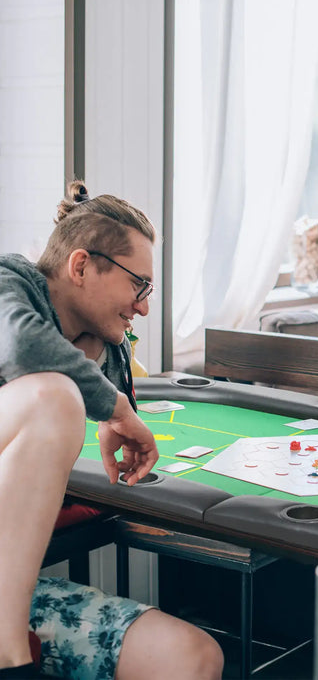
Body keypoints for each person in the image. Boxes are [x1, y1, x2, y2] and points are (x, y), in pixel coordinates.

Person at [0, 181, 224, 679]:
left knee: (194, 658)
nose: (144, 306)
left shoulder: (100, 343)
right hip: (9, 622)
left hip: (13, 587)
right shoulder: (6, 280)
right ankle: (8, 652)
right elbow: (23, 349)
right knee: (55, 396)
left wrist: (105, 367)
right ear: (80, 266)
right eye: (138, 286)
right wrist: (114, 406)